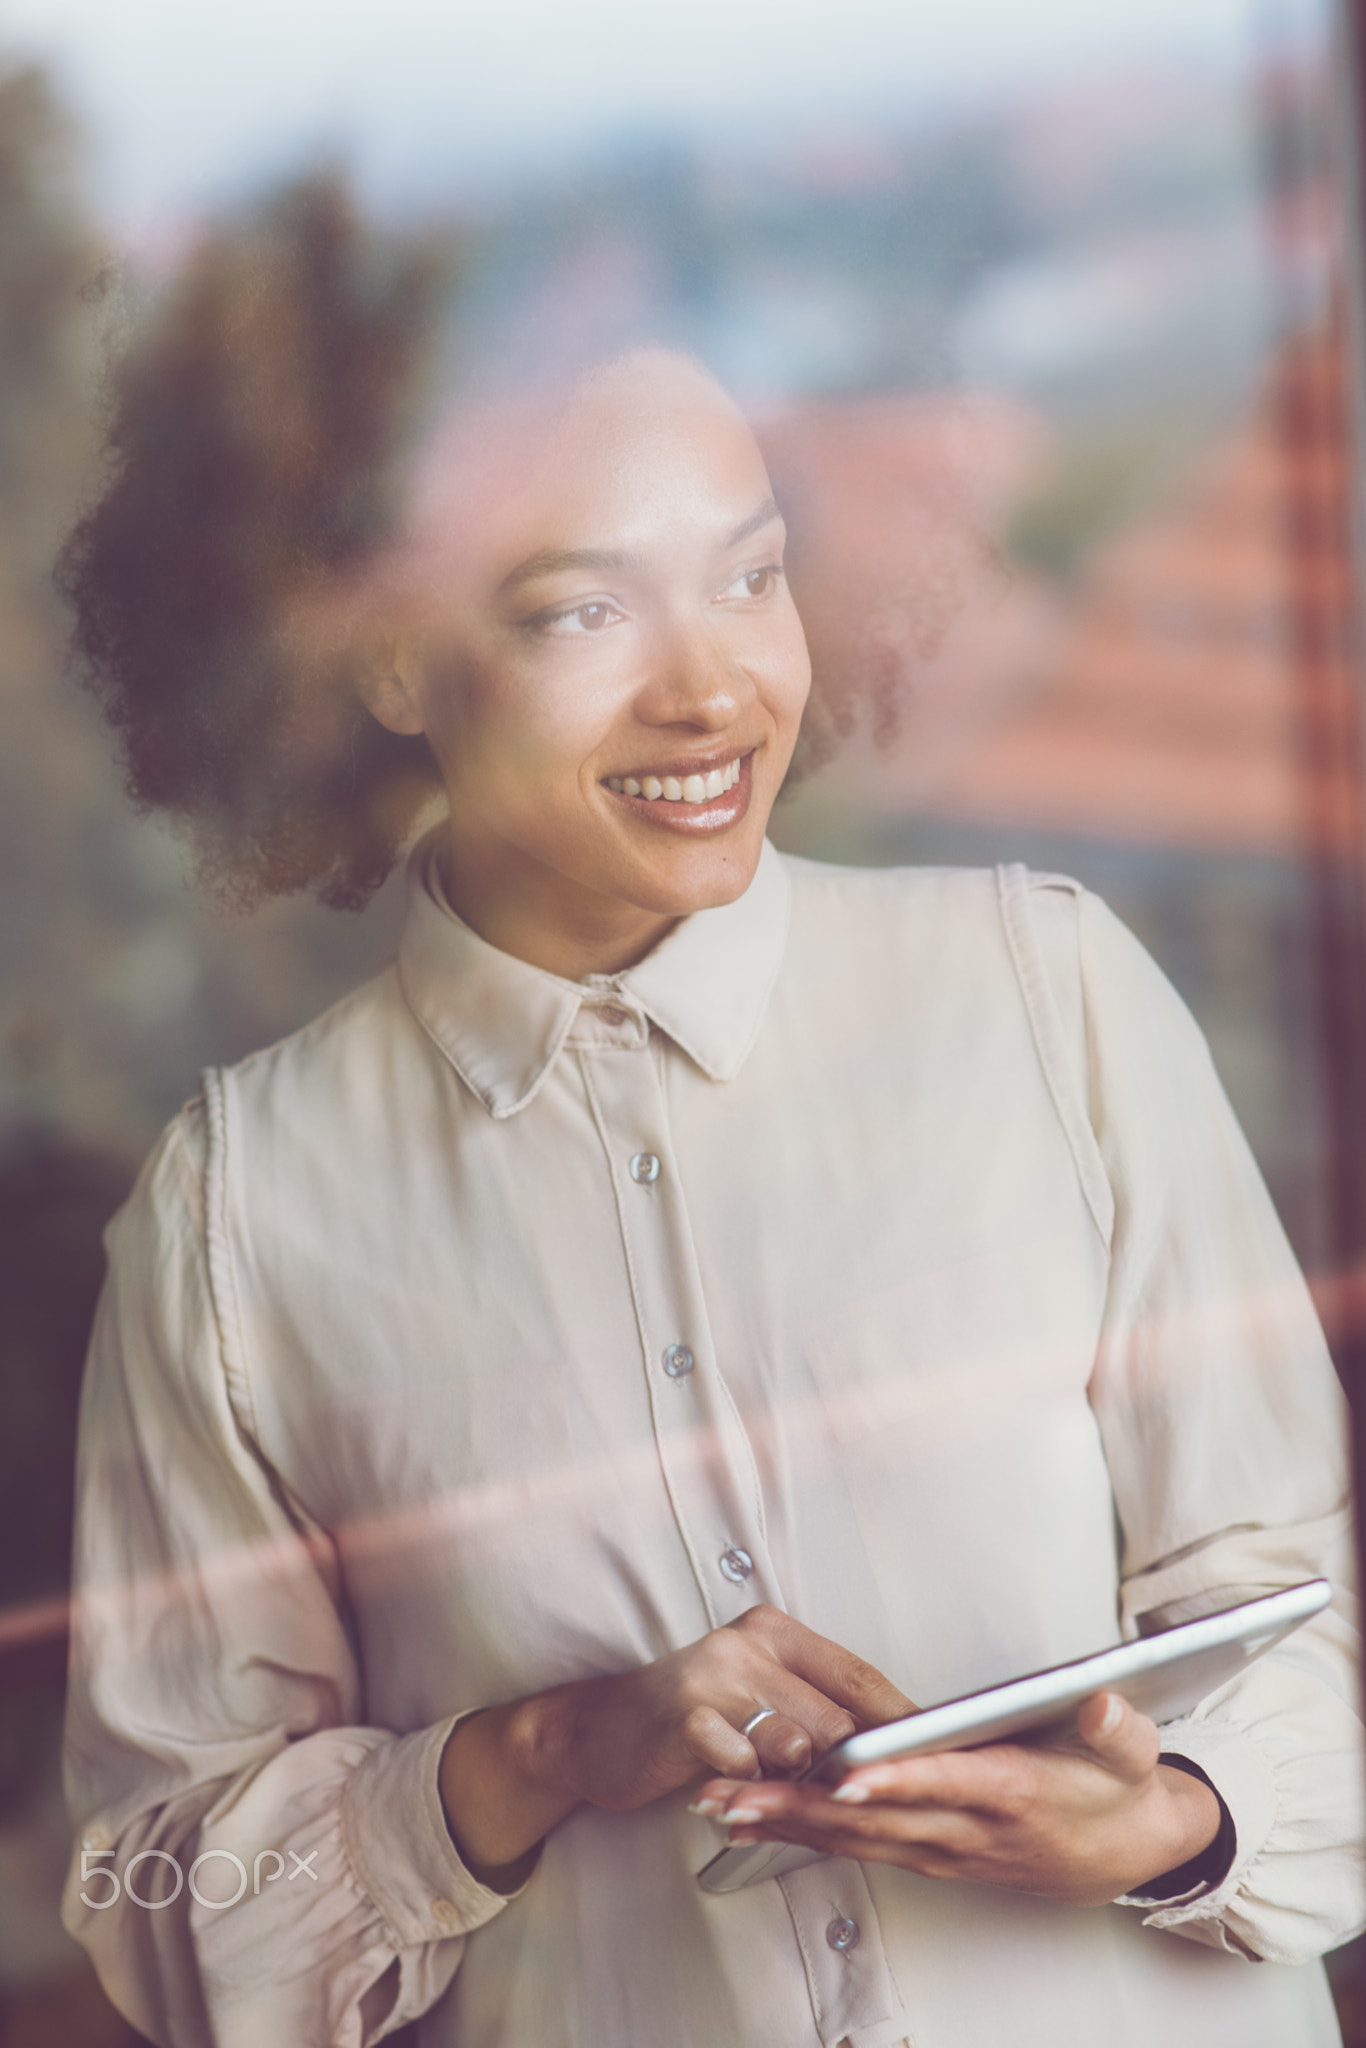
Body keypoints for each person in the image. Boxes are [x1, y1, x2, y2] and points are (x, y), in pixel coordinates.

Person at [55, 225, 1362, 2048]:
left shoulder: (1043, 992)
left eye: (747, 577)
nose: (711, 690)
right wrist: (521, 1760)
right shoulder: (238, 1219)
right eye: (579, 610)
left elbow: (1301, 1599)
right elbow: (151, 1895)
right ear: (386, 659)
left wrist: (1172, 1819)